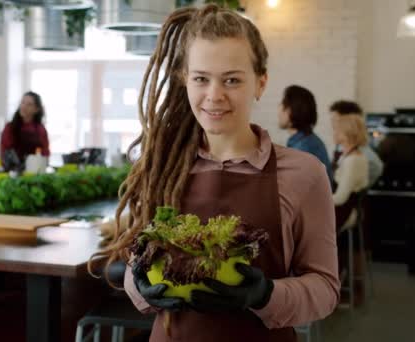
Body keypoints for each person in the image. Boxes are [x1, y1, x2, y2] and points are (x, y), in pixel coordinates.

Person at [91, 5, 339, 342]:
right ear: (185, 80)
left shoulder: (304, 174)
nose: (214, 96)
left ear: (260, 82)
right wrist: (140, 286)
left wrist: (265, 294)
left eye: (232, 80)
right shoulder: (163, 167)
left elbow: (325, 288)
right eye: (201, 79)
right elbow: (139, 260)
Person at [278, 85, 333, 184]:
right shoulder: (307, 141)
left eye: (282, 104)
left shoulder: (304, 148)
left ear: (291, 111)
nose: (279, 110)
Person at [329, 100, 383, 188]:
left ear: (350, 124)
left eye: (336, 121)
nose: (332, 125)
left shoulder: (366, 158)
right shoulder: (340, 148)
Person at [331, 114, 369, 230]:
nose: (334, 133)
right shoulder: (347, 156)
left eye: (337, 130)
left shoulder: (353, 160)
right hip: (342, 208)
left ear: (347, 134)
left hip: (346, 211)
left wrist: (314, 199)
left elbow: (340, 198)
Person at [0, 92, 50, 168]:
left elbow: (45, 153)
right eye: (22, 102)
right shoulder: (10, 127)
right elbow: (5, 151)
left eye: (29, 104)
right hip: (13, 172)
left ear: (36, 109)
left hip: (35, 171)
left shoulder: (41, 129)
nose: (24, 107)